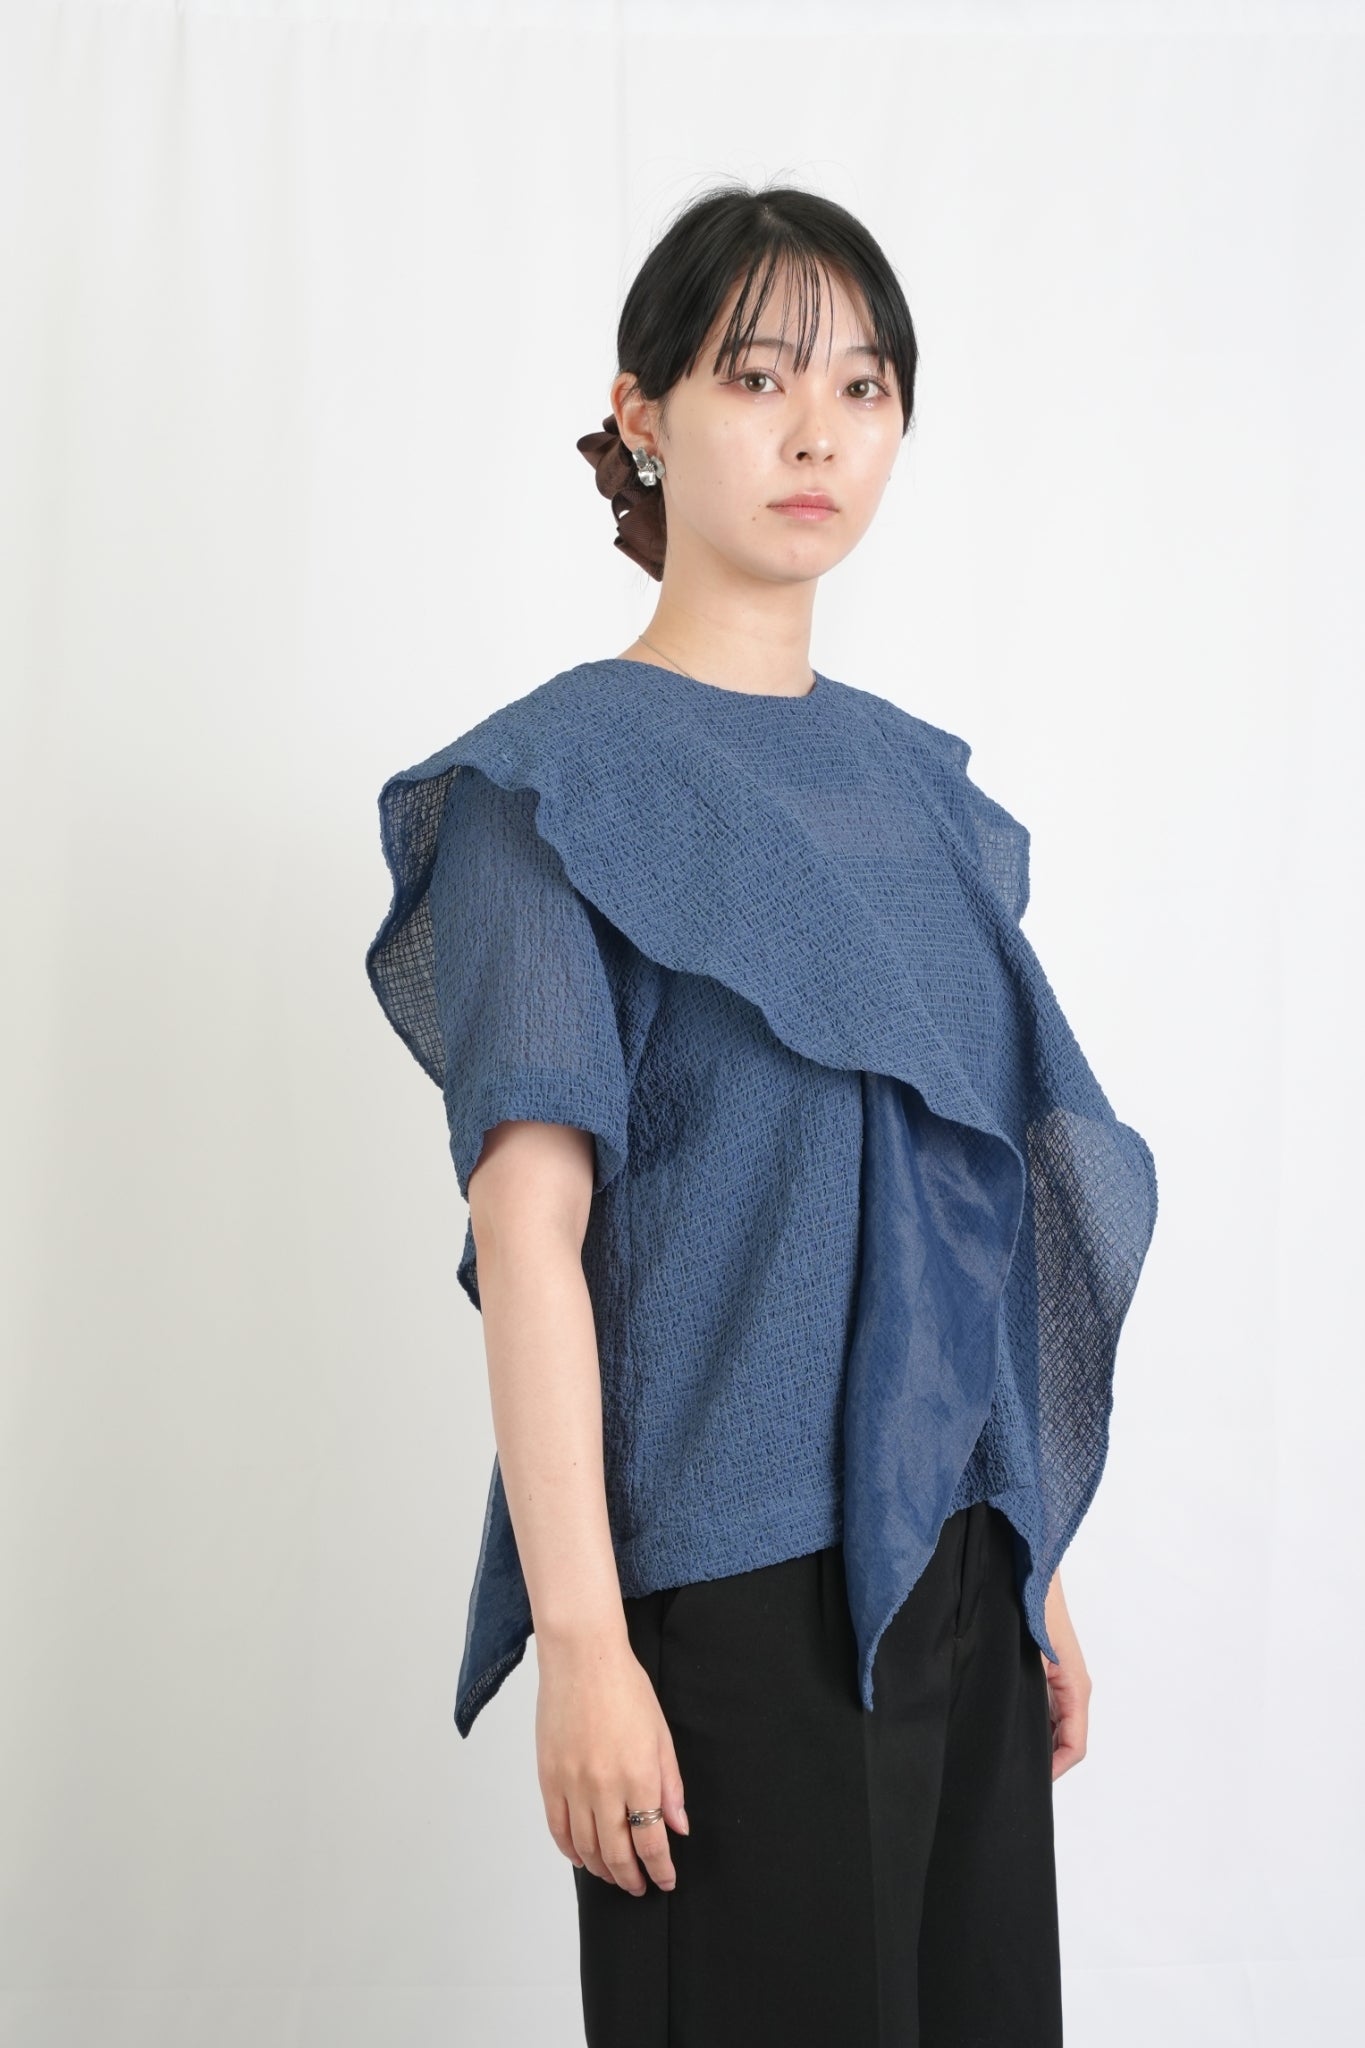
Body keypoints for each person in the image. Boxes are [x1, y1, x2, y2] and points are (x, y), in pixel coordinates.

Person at [365, 181, 1159, 2046]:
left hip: (958, 1571)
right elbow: (529, 1235)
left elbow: (963, 1207)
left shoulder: (917, 797)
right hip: (721, 1594)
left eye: (864, 386)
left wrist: (1030, 1558)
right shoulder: (543, 789)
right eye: (757, 376)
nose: (818, 433)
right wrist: (584, 1641)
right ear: (640, 411)